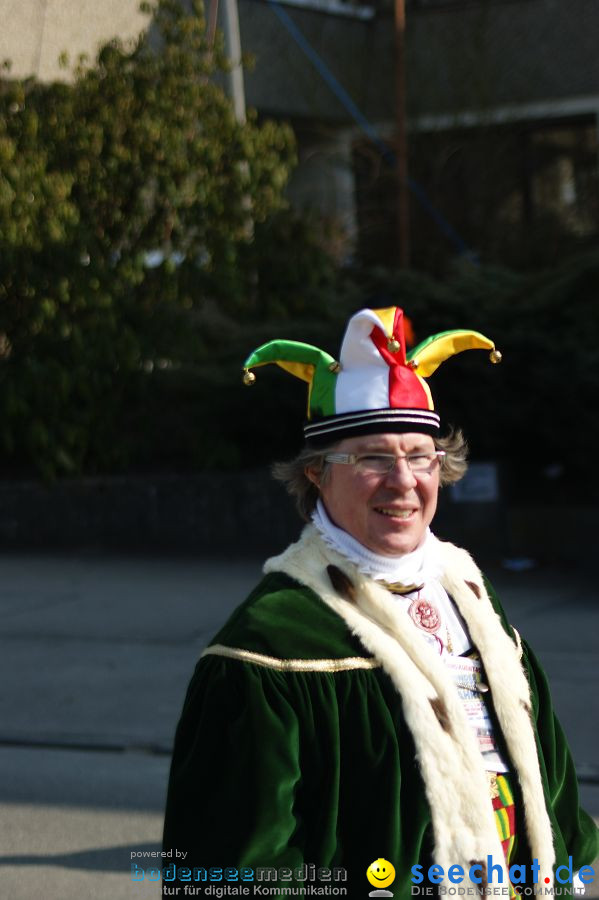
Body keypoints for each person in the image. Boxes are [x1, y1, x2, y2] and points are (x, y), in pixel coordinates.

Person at [163, 307, 597, 898]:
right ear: (316, 473)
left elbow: (552, 783)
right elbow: (228, 871)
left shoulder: (469, 594)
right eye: (371, 458)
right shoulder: (270, 643)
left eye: (421, 455)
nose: (403, 480)